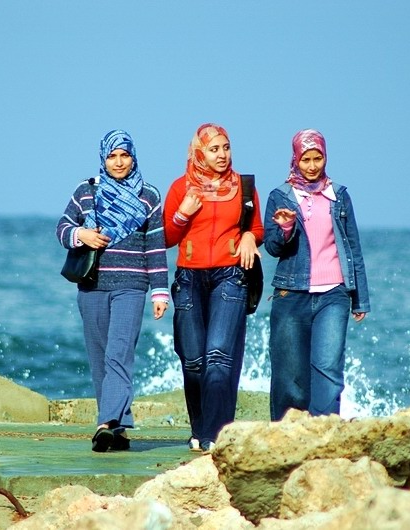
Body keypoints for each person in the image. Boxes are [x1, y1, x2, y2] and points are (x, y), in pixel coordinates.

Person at [56, 129, 169, 452]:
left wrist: (159, 292)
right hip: (92, 285)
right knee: (100, 358)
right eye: (112, 156)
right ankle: (118, 428)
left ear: (134, 157)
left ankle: (104, 424)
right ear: (103, 158)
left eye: (125, 155)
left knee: (119, 354)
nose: (119, 162)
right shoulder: (85, 192)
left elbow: (156, 247)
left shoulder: (149, 196)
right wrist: (82, 235)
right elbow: (62, 228)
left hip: (132, 287)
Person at [163, 123, 264, 454]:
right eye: (214, 149)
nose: (222, 155)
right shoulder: (181, 187)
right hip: (189, 279)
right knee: (192, 360)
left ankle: (215, 436)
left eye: (226, 147)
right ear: (199, 152)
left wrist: (250, 236)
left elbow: (257, 227)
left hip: (230, 276)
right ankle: (200, 428)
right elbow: (165, 237)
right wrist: (182, 214)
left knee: (218, 356)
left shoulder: (243, 187)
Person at [263, 129, 370, 421]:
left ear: (325, 157)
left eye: (318, 158)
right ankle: (286, 434)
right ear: (296, 159)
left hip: (334, 294)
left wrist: (360, 298)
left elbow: (353, 248)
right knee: (290, 372)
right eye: (306, 159)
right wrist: (285, 229)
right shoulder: (280, 197)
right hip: (291, 294)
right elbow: (272, 247)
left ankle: (325, 431)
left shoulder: (339, 196)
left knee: (328, 367)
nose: (312, 166)